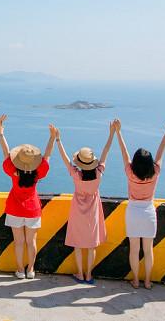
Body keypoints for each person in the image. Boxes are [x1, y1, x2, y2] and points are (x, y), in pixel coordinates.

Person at [113, 119, 165, 289]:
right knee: (148, 249)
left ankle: (136, 280)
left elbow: (124, 152)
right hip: (149, 212)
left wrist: (118, 132)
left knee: (134, 249)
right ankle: (147, 281)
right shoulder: (155, 172)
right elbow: (161, 153)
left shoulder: (130, 173)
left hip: (133, 211)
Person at [0, 115, 56, 279]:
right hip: (32, 210)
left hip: (14, 208)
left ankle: (19, 270)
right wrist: (52, 137)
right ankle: (30, 269)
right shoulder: (38, 172)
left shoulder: (13, 170)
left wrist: (1, 133)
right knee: (31, 242)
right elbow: (48, 155)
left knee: (19, 242)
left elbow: (5, 152)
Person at [55, 122, 114, 285]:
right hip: (93, 211)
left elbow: (65, 159)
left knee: (78, 244)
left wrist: (58, 140)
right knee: (91, 245)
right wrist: (112, 134)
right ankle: (89, 275)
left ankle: (80, 274)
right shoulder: (99, 174)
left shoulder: (76, 175)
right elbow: (106, 151)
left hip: (77, 211)